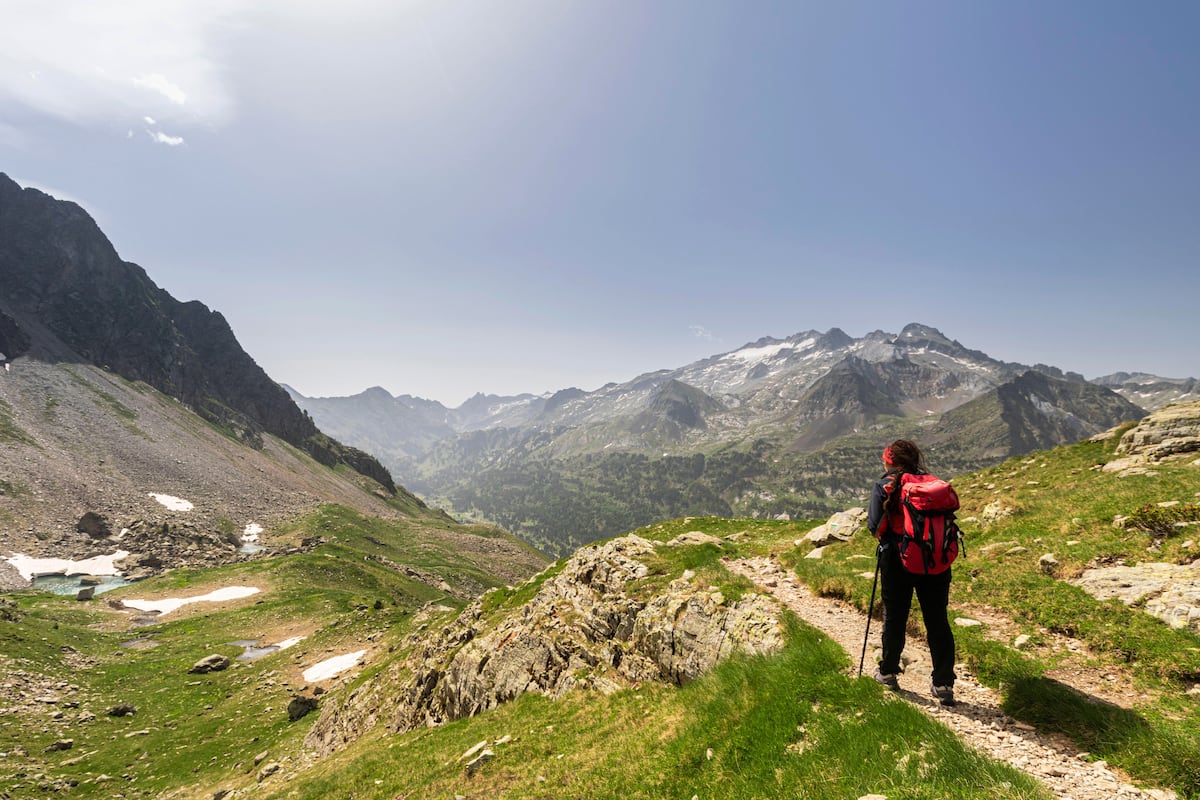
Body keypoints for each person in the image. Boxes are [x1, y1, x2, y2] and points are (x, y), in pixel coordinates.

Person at [866, 438, 957, 706]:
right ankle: (943, 684)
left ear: (889, 461)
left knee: (895, 617)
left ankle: (888, 672)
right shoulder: (932, 484)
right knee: (937, 619)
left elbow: (875, 526)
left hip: (898, 559)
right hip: (936, 560)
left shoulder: (885, 485)